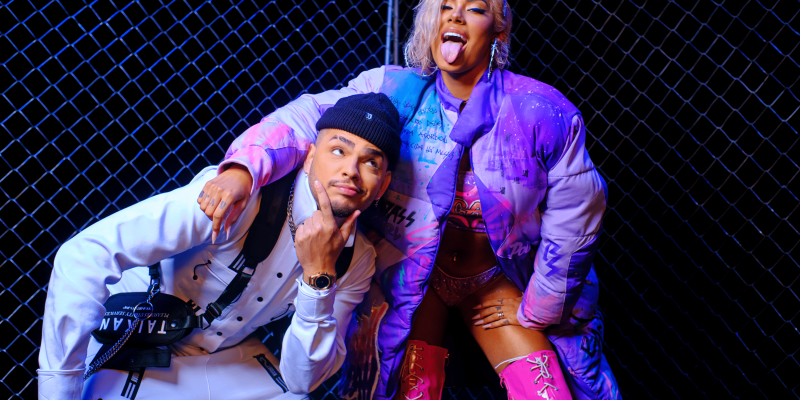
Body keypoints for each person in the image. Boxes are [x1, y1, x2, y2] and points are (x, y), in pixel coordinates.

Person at [198, 0, 620, 399]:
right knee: (406, 384)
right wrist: (244, 168)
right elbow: (307, 118)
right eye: (444, 7)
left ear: (499, 30)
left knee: (546, 389)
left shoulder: (540, 110)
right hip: (412, 280)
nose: (455, 17)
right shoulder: (391, 89)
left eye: (474, 9)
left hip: (495, 281)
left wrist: (539, 308)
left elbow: (576, 213)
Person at [37, 93, 401, 400]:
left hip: (228, 358)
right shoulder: (239, 197)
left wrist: (318, 279)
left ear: (382, 186)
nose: (351, 170)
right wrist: (59, 390)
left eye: (370, 162)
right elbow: (84, 256)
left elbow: (302, 378)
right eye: (338, 150)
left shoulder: (357, 259)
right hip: (138, 341)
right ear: (308, 157)